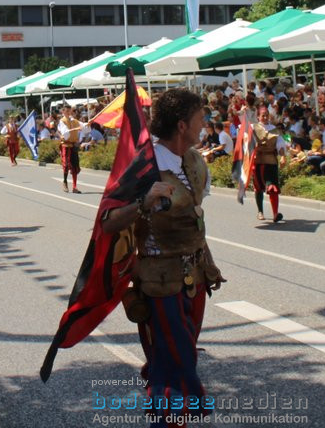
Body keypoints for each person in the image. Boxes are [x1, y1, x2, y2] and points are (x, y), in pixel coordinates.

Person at [100, 89, 224, 424]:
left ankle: (170, 413)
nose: (205, 125)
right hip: (158, 281)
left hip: (195, 276)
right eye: (201, 119)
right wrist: (142, 204)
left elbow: (195, 216)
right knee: (176, 363)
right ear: (182, 125)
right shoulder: (144, 166)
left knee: (179, 360)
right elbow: (108, 222)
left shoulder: (196, 162)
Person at [249, 107, 285, 222]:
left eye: (266, 115)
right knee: (258, 187)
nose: (265, 117)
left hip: (271, 161)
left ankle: (275, 213)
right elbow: (245, 139)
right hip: (258, 161)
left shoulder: (274, 129)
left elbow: (280, 144)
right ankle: (260, 211)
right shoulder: (253, 127)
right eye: (263, 115)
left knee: (273, 188)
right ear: (258, 116)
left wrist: (283, 156)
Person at [58, 104, 83, 193]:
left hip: (73, 145)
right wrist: (76, 128)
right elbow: (65, 133)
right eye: (67, 111)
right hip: (66, 145)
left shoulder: (74, 121)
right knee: (66, 165)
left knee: (75, 166)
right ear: (63, 112)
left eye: (70, 111)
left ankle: (74, 187)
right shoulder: (62, 121)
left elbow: (83, 126)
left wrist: (88, 123)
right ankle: (65, 182)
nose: (69, 113)